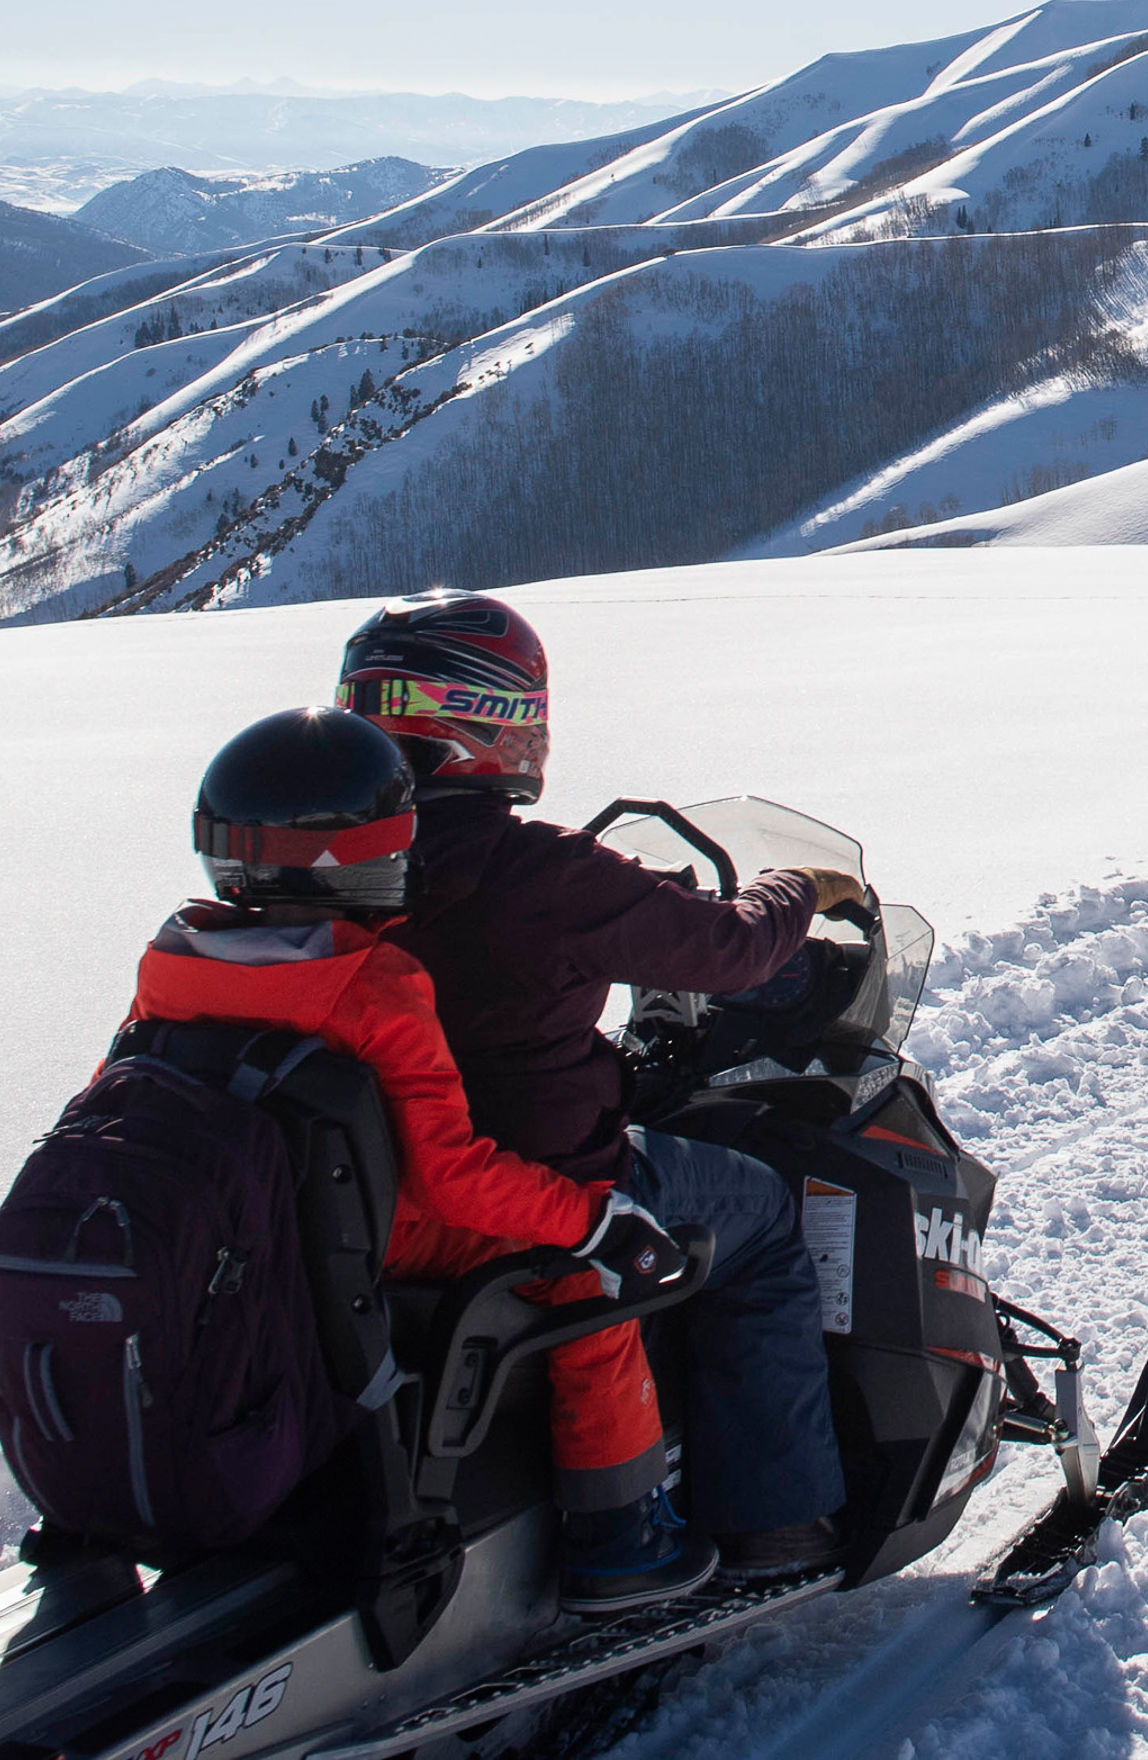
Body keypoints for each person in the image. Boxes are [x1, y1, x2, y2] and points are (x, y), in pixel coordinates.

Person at [142, 706, 714, 1614]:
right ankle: (618, 1536)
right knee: (586, 1280)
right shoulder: (376, 978)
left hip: (248, 1237)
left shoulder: (175, 955)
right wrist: (594, 1221)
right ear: (373, 854)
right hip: (380, 1240)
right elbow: (454, 1172)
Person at [337, 593, 856, 1584]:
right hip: (550, 1182)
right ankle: (779, 1519)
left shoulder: (334, 860)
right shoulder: (536, 869)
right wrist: (801, 887)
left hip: (389, 1194)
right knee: (761, 1218)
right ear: (487, 721)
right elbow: (731, 948)